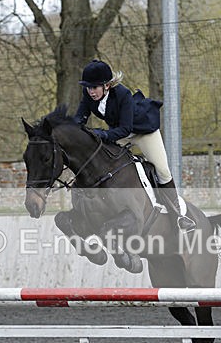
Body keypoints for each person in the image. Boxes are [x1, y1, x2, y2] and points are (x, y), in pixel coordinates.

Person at [73, 59, 196, 231]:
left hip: (142, 132)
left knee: (162, 170)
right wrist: (71, 129)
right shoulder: (88, 95)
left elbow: (126, 129)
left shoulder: (122, 94)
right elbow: (79, 118)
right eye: (88, 87)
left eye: (94, 87)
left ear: (107, 85)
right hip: (119, 133)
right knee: (100, 155)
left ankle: (179, 216)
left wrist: (102, 134)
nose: (91, 91)